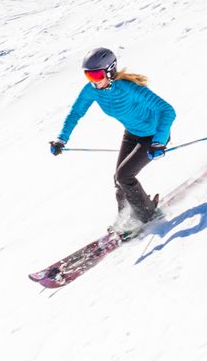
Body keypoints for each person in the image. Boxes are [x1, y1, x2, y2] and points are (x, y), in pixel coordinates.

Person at [48, 48, 176, 237]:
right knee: (119, 179)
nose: (93, 80)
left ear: (110, 71)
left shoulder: (129, 88)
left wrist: (158, 142)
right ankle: (126, 217)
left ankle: (148, 215)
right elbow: (76, 113)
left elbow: (168, 111)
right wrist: (61, 138)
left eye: (97, 75)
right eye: (88, 76)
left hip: (153, 135)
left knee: (125, 176)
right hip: (132, 134)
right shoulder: (91, 91)